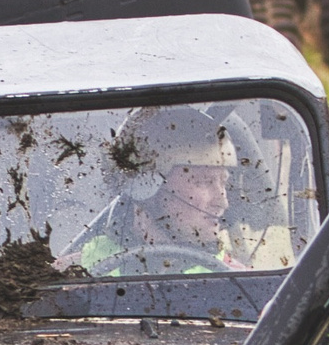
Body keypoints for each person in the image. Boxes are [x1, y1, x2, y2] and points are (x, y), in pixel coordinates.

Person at [80, 108, 246, 274]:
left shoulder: (240, 283)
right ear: (145, 184)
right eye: (203, 182)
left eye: (223, 182)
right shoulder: (76, 273)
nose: (222, 202)